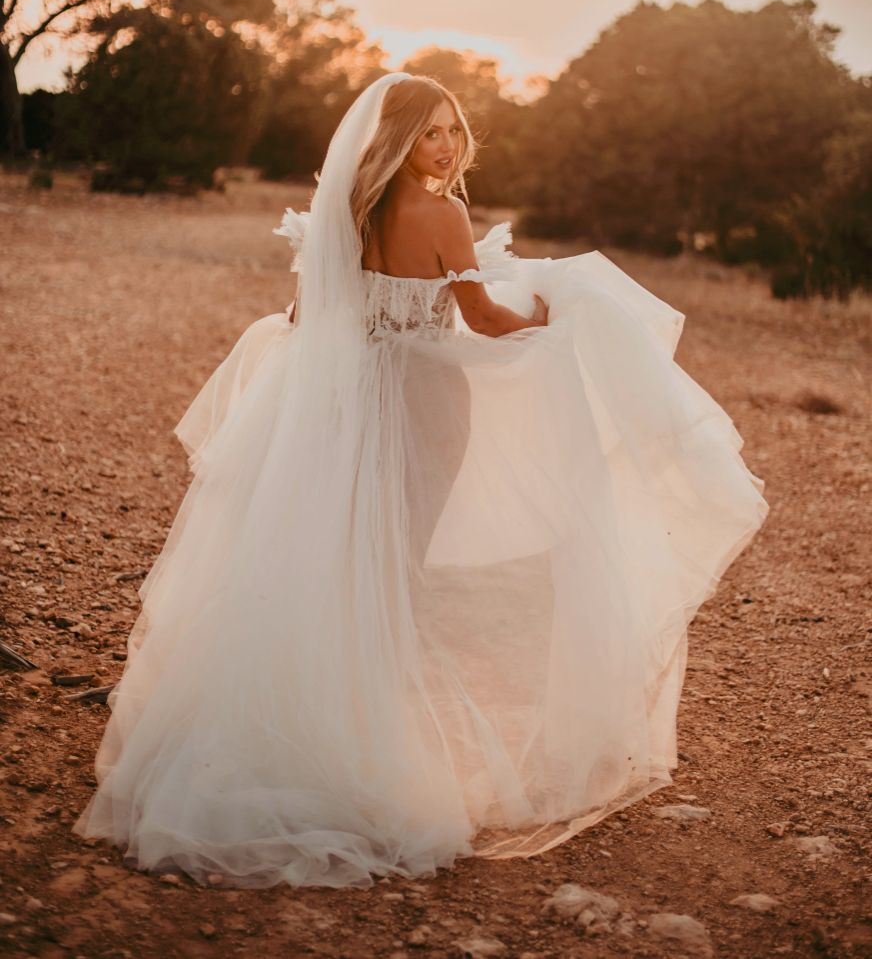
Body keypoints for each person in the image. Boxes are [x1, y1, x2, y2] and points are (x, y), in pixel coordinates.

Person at [73, 71, 769, 890]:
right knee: (394, 572)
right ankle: (361, 747)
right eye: (430, 131)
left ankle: (291, 724)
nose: (445, 145)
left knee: (329, 561)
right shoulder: (444, 214)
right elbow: (483, 318)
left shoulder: (346, 209)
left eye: (452, 129)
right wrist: (549, 316)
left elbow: (305, 316)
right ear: (398, 139)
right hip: (422, 403)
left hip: (339, 405)